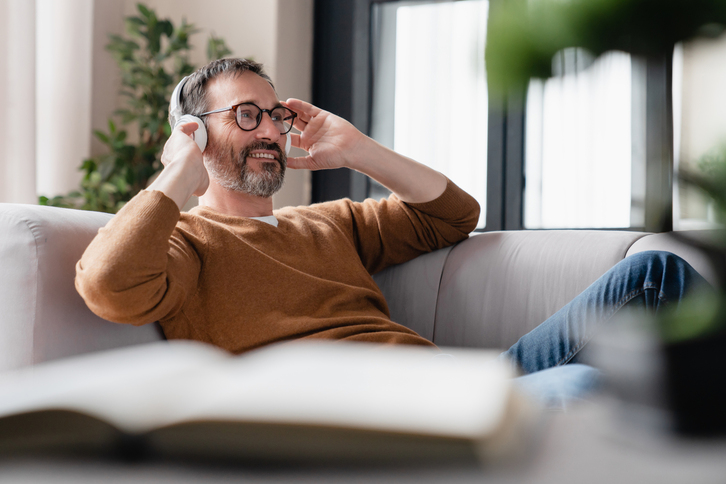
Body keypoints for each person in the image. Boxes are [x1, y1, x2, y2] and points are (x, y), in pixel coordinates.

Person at [76, 58, 708, 407]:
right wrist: (178, 170)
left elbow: (455, 215)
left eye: (274, 115)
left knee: (658, 272)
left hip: (471, 386)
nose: (269, 131)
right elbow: (108, 284)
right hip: (386, 418)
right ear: (196, 129)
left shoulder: (329, 223)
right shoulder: (186, 244)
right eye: (246, 116)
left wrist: (355, 149)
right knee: (589, 389)